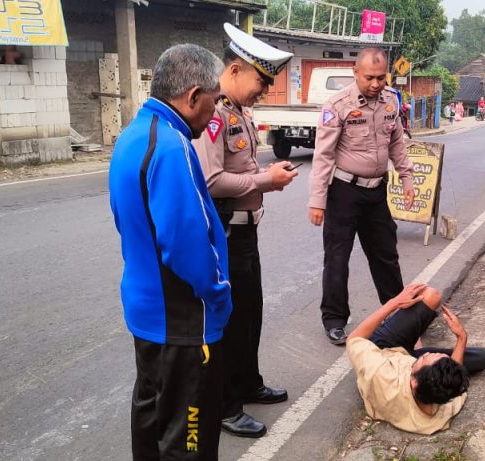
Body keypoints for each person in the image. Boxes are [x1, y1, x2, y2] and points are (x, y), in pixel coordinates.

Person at [108, 44, 229, 459]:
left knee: (150, 420)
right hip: (181, 319)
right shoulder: (172, 146)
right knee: (187, 438)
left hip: (146, 313)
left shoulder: (132, 135)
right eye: (214, 101)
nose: (215, 113)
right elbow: (184, 243)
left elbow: (125, 221)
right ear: (194, 96)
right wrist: (218, 291)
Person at [191, 23, 296, 438]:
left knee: (251, 313)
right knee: (229, 323)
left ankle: (248, 383)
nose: (263, 91)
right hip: (226, 236)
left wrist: (266, 175)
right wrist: (266, 180)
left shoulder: (238, 113)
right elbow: (212, 180)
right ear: (235, 70)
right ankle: (224, 405)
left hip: (246, 234)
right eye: (259, 81)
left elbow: (244, 168)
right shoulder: (214, 116)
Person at [308, 47, 415, 345]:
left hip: (376, 191)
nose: (376, 84)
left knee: (386, 254)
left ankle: (398, 312)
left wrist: (407, 178)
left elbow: (397, 144)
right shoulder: (338, 105)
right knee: (338, 257)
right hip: (343, 192)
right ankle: (334, 319)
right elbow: (323, 156)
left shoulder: (391, 100)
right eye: (370, 77)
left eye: (381, 77)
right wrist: (317, 200)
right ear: (356, 73)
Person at [346, 284, 485, 434]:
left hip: (384, 351)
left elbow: (353, 338)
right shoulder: (443, 402)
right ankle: (414, 342)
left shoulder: (380, 373)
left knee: (428, 294)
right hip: (407, 360)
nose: (427, 354)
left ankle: (408, 336)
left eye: (424, 358)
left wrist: (395, 302)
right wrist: (461, 337)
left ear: (414, 381)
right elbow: (453, 374)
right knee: (483, 357)